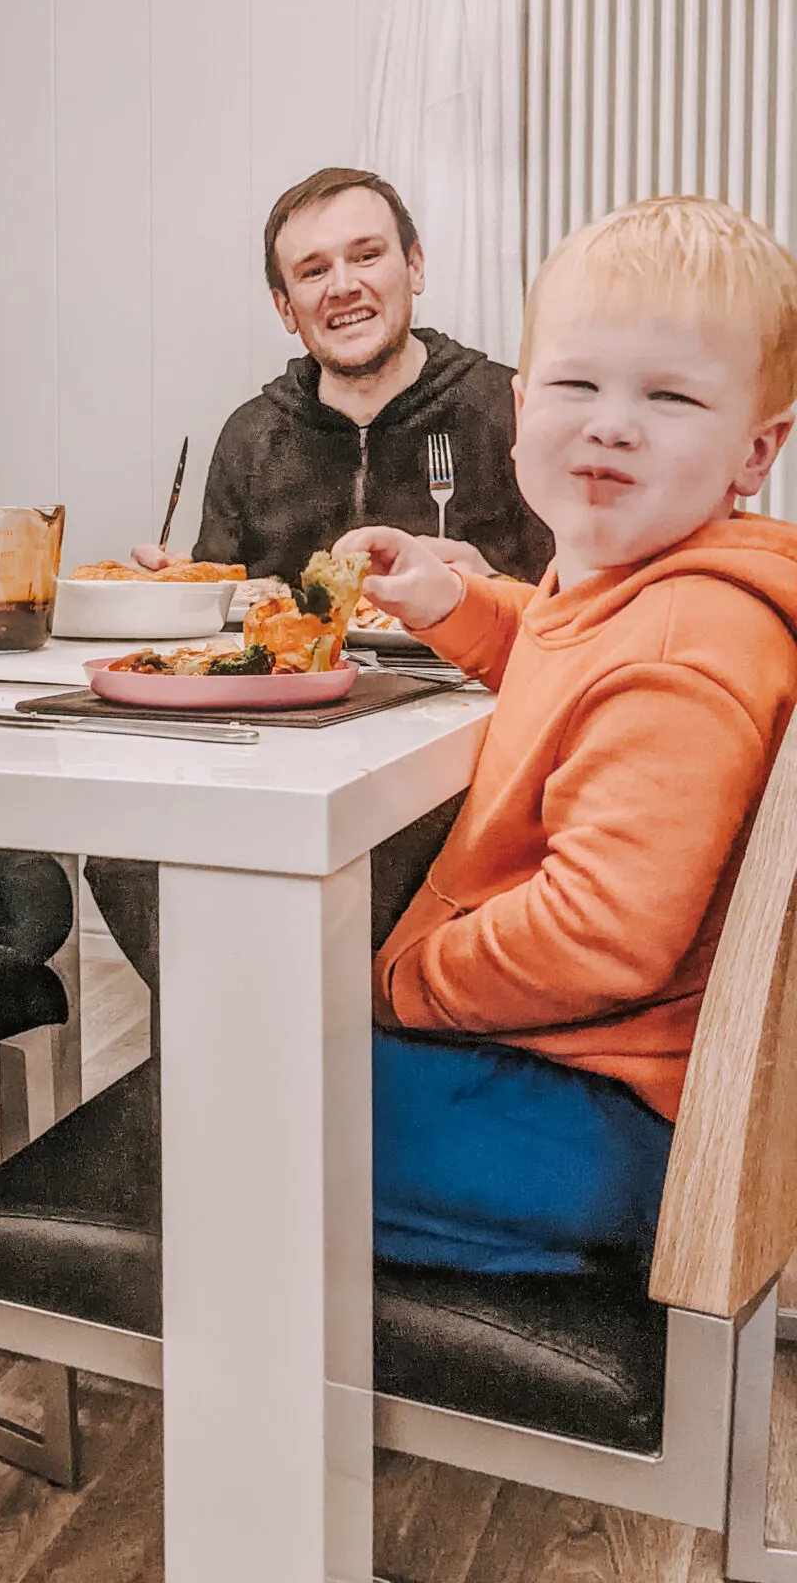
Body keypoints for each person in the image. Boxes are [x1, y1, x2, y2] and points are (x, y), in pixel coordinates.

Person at [340, 195, 797, 1272]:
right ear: (520, 404)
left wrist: (398, 983)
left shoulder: (685, 648)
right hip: (591, 1081)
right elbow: (559, 646)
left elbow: (599, 932)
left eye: (671, 396)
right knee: (251, 1067)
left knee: (228, 1113)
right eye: (577, 384)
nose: (611, 422)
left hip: (599, 1120)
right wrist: (458, 604)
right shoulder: (644, 592)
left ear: (755, 450)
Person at [134, 167, 553, 584]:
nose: (343, 286)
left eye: (366, 256)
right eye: (314, 271)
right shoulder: (250, 437)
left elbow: (581, 609)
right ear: (285, 308)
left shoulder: (513, 410)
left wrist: (495, 587)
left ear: (415, 267)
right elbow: (221, 605)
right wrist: (178, 589)